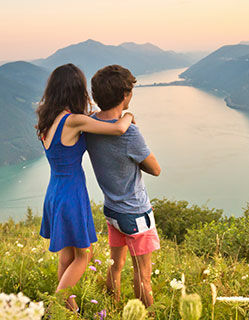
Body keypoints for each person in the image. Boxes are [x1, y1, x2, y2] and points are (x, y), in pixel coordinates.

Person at [36, 63, 135, 312]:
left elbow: (89, 123)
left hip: (55, 191)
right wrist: (129, 116)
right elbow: (118, 128)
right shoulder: (73, 121)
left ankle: (69, 308)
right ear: (75, 89)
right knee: (84, 255)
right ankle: (53, 308)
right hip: (71, 194)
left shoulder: (49, 120)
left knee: (67, 255)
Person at [85, 65, 161, 307]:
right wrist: (129, 121)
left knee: (115, 266)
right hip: (135, 212)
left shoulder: (90, 125)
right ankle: (147, 315)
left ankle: (113, 308)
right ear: (125, 95)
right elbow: (155, 169)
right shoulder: (129, 134)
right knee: (143, 275)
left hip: (112, 211)